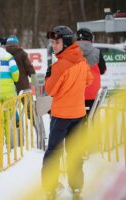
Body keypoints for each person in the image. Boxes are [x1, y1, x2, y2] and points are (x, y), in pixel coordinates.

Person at [42, 26, 93, 199]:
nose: (54, 45)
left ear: (66, 42)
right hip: (78, 115)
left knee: (54, 152)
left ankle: (51, 188)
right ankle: (77, 188)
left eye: (57, 42)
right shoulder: (81, 60)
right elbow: (89, 80)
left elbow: (50, 90)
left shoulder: (60, 65)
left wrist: (49, 76)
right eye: (52, 42)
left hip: (61, 116)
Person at [76, 28, 107, 115]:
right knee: (91, 122)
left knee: (77, 124)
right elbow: (103, 70)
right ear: (91, 38)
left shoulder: (70, 52)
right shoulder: (97, 52)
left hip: (76, 95)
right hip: (93, 95)